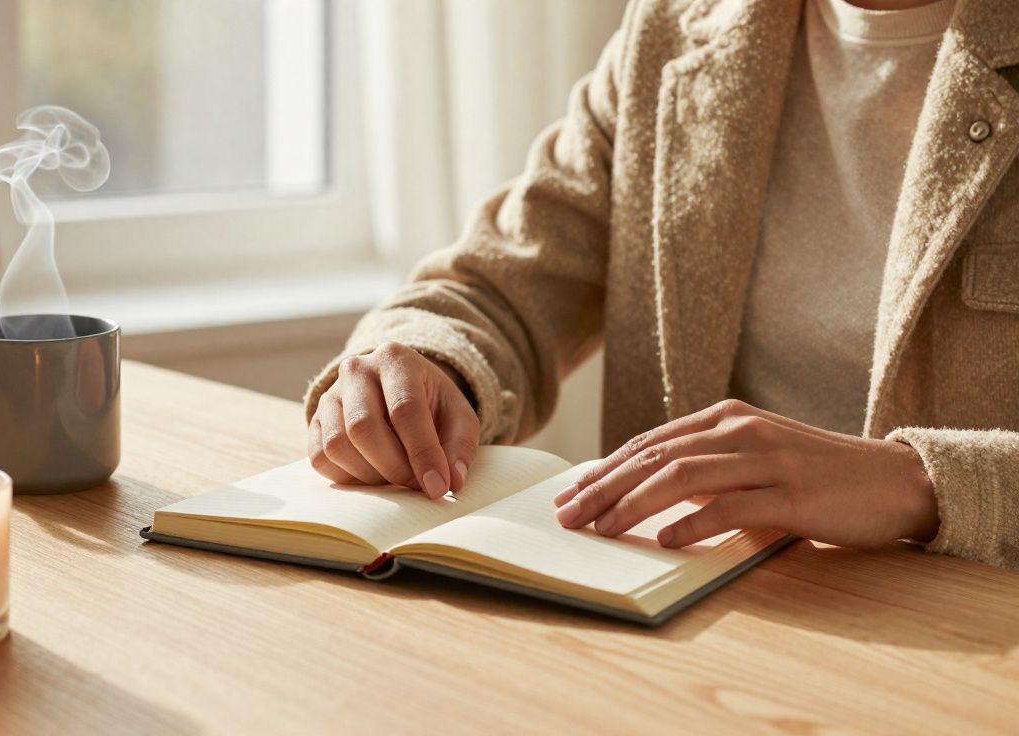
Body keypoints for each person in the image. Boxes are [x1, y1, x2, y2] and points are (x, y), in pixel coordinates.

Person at [303, 0, 1019, 570]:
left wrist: (918, 483)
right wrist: (423, 364)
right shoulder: (675, 28)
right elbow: (499, 285)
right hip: (679, 624)